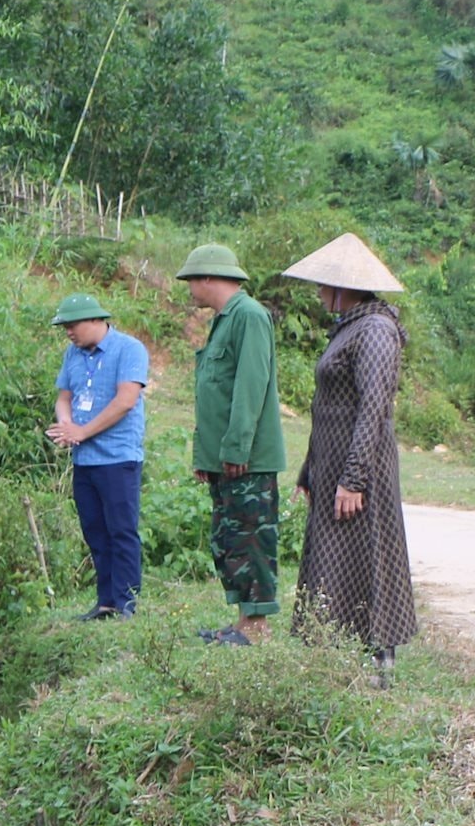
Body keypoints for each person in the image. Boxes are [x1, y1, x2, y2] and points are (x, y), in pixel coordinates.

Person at [282, 234, 418, 687]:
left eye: (325, 286)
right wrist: (310, 471)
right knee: (333, 557)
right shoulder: (349, 327)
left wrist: (354, 478)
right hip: (333, 466)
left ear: (347, 288)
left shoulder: (376, 329)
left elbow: (373, 407)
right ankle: (335, 656)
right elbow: (328, 408)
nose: (319, 294)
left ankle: (380, 662)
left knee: (368, 556)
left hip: (361, 469)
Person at [177, 243, 284, 645]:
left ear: (209, 278)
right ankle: (243, 622)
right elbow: (214, 394)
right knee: (229, 538)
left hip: (248, 459)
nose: (189, 290)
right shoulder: (225, 320)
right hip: (225, 457)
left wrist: (237, 448)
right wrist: (208, 454)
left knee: (252, 538)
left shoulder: (250, 317)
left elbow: (250, 388)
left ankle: (258, 628)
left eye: (191, 281)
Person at [45, 293, 150, 619]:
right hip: (84, 460)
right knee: (95, 531)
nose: (69, 333)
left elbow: (125, 401)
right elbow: (64, 397)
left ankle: (127, 603)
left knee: (121, 531)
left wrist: (82, 431)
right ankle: (106, 602)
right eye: (65, 327)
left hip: (118, 458)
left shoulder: (129, 349)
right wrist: (66, 423)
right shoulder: (72, 354)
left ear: (95, 320)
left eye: (72, 325)